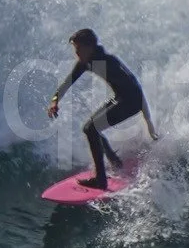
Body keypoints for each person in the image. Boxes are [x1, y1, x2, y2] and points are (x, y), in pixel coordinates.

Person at [47, 28, 155, 187]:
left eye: (78, 50)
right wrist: (54, 101)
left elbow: (136, 88)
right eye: (75, 50)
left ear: (89, 47)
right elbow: (66, 83)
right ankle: (114, 161)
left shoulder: (109, 63)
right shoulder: (85, 62)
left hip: (132, 102)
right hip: (120, 97)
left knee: (90, 128)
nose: (76, 54)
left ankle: (101, 180)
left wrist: (148, 121)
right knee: (91, 126)